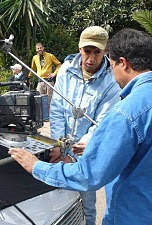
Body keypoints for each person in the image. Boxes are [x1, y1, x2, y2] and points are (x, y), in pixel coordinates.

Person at [9, 28, 152, 224]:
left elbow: (91, 174)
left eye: (109, 60)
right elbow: (57, 108)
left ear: (122, 63)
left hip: (133, 216)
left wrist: (36, 167)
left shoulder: (126, 112)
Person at [48, 26, 121, 225]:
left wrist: (80, 149)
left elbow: (101, 121)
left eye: (97, 52)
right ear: (80, 49)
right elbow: (57, 109)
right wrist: (57, 144)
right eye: (87, 51)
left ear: (105, 51)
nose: (91, 58)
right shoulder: (65, 70)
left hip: (86, 152)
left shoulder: (111, 79)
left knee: (87, 202)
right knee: (59, 199)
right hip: (60, 148)